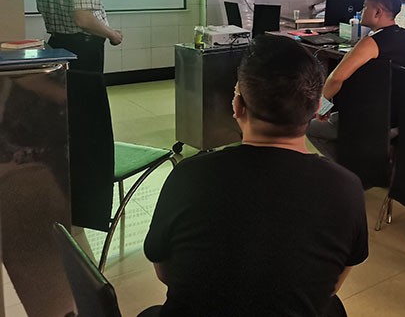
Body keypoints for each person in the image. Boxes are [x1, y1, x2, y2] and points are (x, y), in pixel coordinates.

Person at [144, 35, 368, 317]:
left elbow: (164, 271)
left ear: (237, 106)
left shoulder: (188, 176)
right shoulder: (346, 188)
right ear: (314, 111)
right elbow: (331, 285)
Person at [307, 0, 405, 147]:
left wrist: (322, 108)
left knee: (305, 128)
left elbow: (336, 77)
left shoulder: (372, 42)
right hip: (399, 119)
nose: (361, 11)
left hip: (367, 120)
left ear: (378, 12)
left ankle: (343, 160)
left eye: (365, 7)